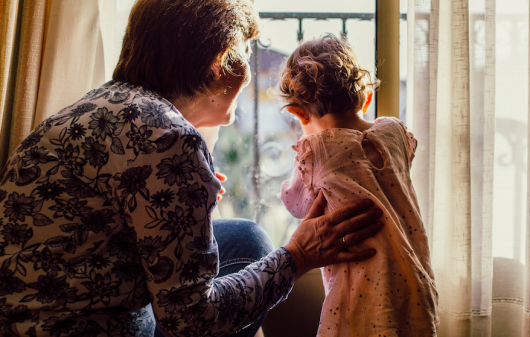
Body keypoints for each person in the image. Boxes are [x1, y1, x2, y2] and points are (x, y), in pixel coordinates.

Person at [0, 2, 385, 336]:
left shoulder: (97, 105)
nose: (249, 71)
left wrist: (186, 204)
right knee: (261, 249)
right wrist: (298, 256)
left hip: (24, 319)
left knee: (246, 238)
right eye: (246, 54)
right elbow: (192, 320)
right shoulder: (169, 138)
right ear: (220, 64)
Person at [279, 35, 439, 336]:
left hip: (361, 293)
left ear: (297, 113)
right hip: (413, 279)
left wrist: (299, 165)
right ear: (366, 98)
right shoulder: (394, 132)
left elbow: (298, 205)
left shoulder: (318, 149)